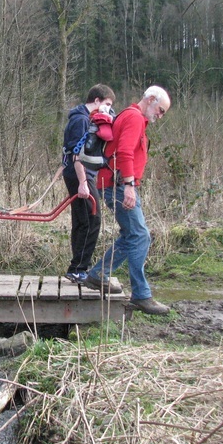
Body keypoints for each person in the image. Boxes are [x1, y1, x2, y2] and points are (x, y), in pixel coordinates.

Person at [83, 85, 171, 315]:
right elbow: (124, 153)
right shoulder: (133, 117)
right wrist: (129, 186)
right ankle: (141, 295)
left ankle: (98, 274)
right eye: (160, 110)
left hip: (116, 184)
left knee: (132, 235)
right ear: (150, 99)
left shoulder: (132, 118)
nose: (160, 116)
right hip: (119, 185)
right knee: (140, 235)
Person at [62, 84, 116, 284]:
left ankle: (77, 267)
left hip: (79, 174)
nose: (109, 109)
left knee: (82, 220)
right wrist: (83, 183)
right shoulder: (82, 120)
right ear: (96, 101)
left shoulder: (83, 118)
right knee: (91, 220)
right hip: (80, 175)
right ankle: (78, 269)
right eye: (107, 104)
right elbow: (76, 153)